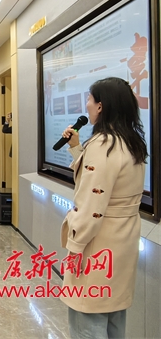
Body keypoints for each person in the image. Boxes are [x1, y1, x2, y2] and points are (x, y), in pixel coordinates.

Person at [59, 77, 148, 338]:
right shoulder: (131, 142)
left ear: (101, 106)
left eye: (89, 99)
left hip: (97, 243)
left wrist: (75, 247)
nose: (86, 104)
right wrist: (77, 148)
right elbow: (105, 181)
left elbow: (92, 204)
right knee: (113, 317)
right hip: (122, 241)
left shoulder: (102, 145)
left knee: (87, 321)